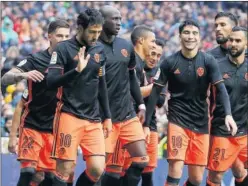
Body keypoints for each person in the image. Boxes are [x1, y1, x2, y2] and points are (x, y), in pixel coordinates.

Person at [144, 19, 237, 186]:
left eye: (194, 33)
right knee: (175, 171)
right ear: (180, 37)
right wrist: (145, 124)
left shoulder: (208, 61)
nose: (190, 37)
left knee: (196, 179)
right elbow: (155, 93)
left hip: (201, 123)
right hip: (177, 120)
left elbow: (221, 90)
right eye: (186, 33)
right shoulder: (169, 62)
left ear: (200, 38)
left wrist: (228, 115)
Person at [1, 19, 72, 186]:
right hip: (32, 125)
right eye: (59, 35)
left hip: (56, 129)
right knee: (29, 172)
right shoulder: (36, 59)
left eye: (67, 36)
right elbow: (5, 79)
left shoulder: (72, 63)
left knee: (49, 178)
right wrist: (23, 75)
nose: (63, 39)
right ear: (49, 36)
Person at [46, 8, 112, 186]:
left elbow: (102, 83)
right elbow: (50, 81)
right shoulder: (63, 49)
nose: (96, 36)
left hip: (93, 118)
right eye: (92, 31)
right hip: (68, 114)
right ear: (80, 28)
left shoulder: (100, 50)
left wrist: (107, 117)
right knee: (65, 169)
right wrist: (76, 71)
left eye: (99, 32)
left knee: (98, 169)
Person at [97, 5, 148, 186]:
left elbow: (132, 77)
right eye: (114, 19)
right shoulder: (93, 48)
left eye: (120, 19)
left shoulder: (125, 46)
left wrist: (141, 105)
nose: (119, 22)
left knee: (142, 160)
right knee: (96, 169)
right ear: (102, 21)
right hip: (103, 118)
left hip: (127, 114)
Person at [206, 26, 248, 186]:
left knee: (242, 171)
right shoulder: (216, 66)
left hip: (245, 131)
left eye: (238, 40)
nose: (233, 44)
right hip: (221, 131)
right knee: (215, 177)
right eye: (231, 40)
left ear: (246, 44)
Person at [122, 38, 166, 186]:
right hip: (128, 121)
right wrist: (152, 88)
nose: (154, 58)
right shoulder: (133, 67)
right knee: (124, 169)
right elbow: (128, 92)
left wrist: (143, 90)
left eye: (158, 55)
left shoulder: (159, 72)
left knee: (148, 172)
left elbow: (159, 101)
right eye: (153, 53)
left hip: (150, 125)